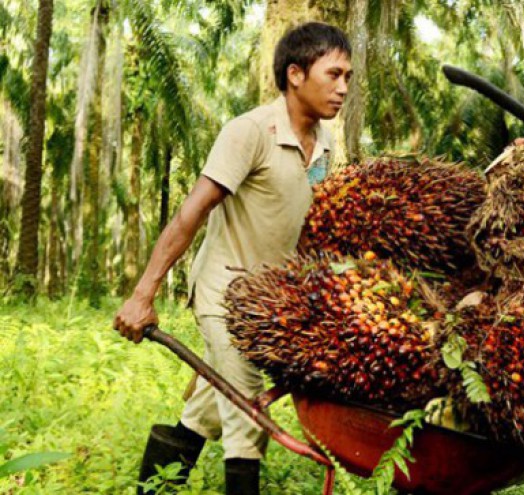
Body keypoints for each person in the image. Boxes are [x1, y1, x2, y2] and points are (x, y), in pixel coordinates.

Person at [113, 22, 352, 495]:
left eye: (349, 76)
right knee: (246, 411)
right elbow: (191, 213)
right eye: (334, 74)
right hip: (225, 290)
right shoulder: (250, 132)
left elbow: (311, 232)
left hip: (269, 300)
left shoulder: (325, 146)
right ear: (296, 74)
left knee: (205, 407)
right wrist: (143, 294)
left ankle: (153, 490)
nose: (343, 87)